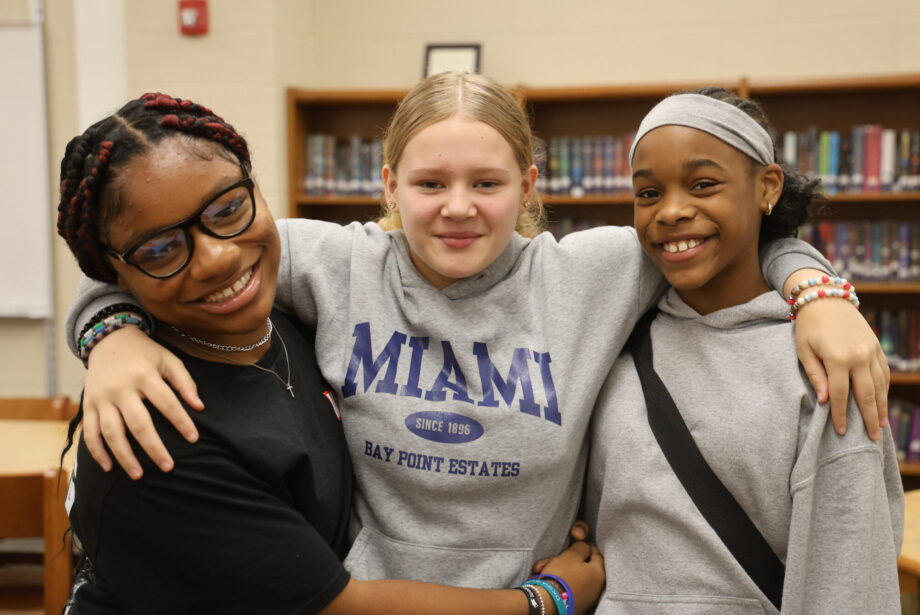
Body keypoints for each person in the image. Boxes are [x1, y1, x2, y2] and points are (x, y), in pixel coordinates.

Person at [64, 73, 887, 590]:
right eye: (430, 182)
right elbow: (162, 260)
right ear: (389, 184)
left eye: (486, 181)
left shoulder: (594, 273)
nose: (458, 206)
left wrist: (818, 290)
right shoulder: (335, 262)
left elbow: (725, 231)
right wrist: (110, 333)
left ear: (528, 185)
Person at [58, 92, 604, 614]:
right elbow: (331, 606)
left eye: (227, 210)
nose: (218, 258)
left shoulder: (275, 312)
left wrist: (112, 332)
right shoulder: (154, 433)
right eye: (162, 250)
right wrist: (544, 600)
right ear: (391, 185)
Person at [582, 88, 903, 614]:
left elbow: (848, 582)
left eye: (703, 185)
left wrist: (817, 292)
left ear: (766, 187)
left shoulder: (824, 362)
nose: (671, 211)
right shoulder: (614, 336)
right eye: (647, 193)